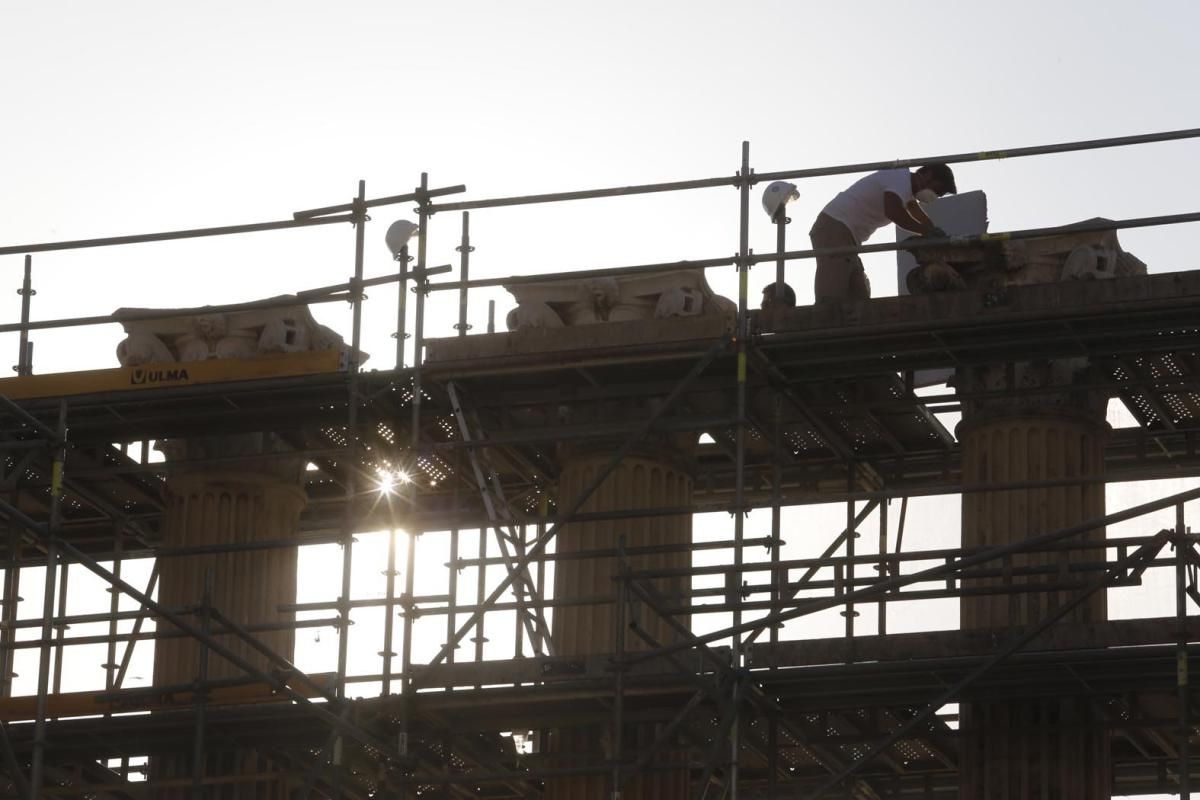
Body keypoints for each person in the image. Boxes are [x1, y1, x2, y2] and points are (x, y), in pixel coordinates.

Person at [810, 163, 957, 303]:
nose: (935, 196)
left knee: (859, 300)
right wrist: (927, 232)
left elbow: (916, 212)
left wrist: (933, 232)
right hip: (835, 228)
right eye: (937, 191)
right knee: (831, 298)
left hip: (846, 237)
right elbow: (893, 212)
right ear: (928, 175)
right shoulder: (899, 177)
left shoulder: (905, 191)